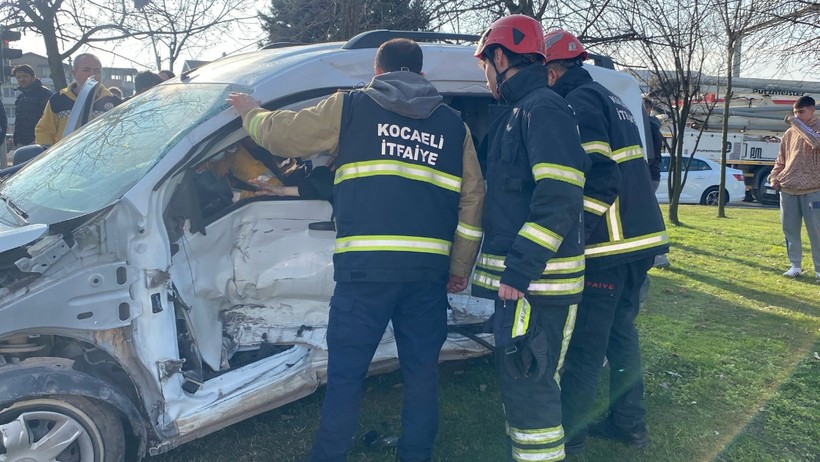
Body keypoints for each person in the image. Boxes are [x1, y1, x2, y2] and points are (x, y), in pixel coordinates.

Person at [227, 38, 485, 462]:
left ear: (378, 71)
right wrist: (460, 266)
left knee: (347, 375)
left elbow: (282, 136)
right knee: (421, 374)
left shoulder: (351, 106)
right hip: (427, 275)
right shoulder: (455, 126)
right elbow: (474, 199)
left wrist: (250, 111)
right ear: (421, 75)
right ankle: (415, 455)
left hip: (364, 273)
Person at [543, 29, 669, 455]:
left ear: (553, 69)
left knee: (585, 344)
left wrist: (572, 230)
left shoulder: (578, 102)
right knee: (621, 334)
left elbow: (598, 174)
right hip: (641, 240)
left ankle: (571, 434)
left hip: (609, 246)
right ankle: (629, 424)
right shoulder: (611, 98)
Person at [471, 15, 588, 462]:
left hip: (539, 285)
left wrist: (519, 270)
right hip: (527, 284)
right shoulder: (522, 111)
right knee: (521, 383)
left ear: (500, 57)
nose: (485, 77)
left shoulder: (544, 109)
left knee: (530, 384)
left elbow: (558, 198)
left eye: (485, 65)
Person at [768, 96, 820, 282]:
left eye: (801, 112)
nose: (796, 116)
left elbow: (816, 142)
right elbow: (780, 160)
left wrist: (796, 123)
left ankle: (819, 269)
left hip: (813, 189)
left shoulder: (816, 128)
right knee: (789, 229)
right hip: (788, 188)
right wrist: (774, 177)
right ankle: (795, 265)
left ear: (812, 110)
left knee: (816, 230)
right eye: (795, 112)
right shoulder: (789, 133)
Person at [34, 53, 121, 146]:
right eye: (86, 70)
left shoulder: (115, 102)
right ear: (74, 73)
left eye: (97, 71)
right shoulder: (59, 99)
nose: (92, 75)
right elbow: (44, 130)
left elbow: (122, 133)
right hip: (67, 157)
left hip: (102, 158)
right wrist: (47, 151)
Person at [643, 99, 670, 269]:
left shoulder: (649, 127)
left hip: (648, 176)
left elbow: (649, 154)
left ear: (647, 109)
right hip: (652, 176)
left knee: (648, 216)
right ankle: (657, 255)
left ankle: (658, 256)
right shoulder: (653, 126)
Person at [11, 64, 53, 147]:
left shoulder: (45, 94)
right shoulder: (21, 97)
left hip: (38, 141)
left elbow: (50, 118)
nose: (21, 79)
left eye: (25, 76)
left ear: (33, 77)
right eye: (18, 77)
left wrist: (41, 139)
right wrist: (16, 139)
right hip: (21, 142)